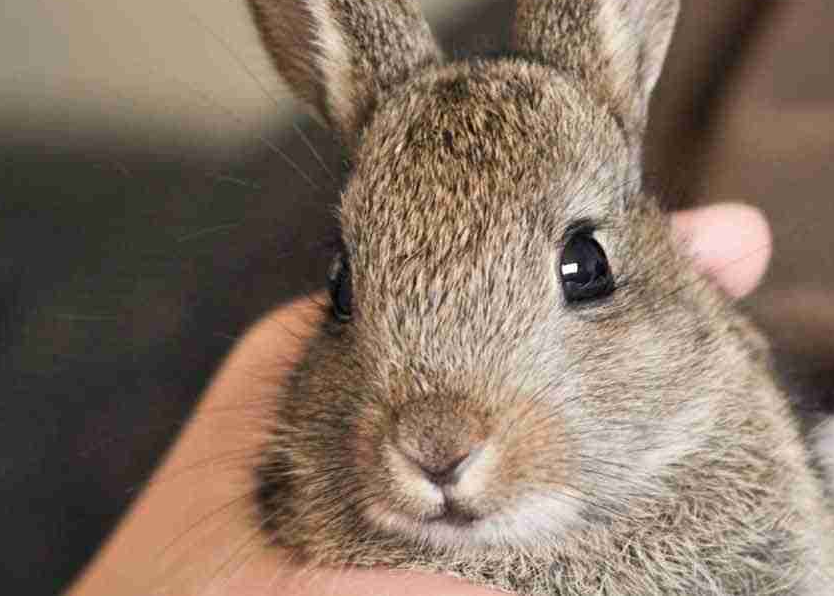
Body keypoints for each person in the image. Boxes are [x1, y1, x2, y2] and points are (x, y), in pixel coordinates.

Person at [67, 204, 772, 596]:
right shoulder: (306, 471)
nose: (438, 440)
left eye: (579, 270)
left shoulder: (743, 450)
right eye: (348, 292)